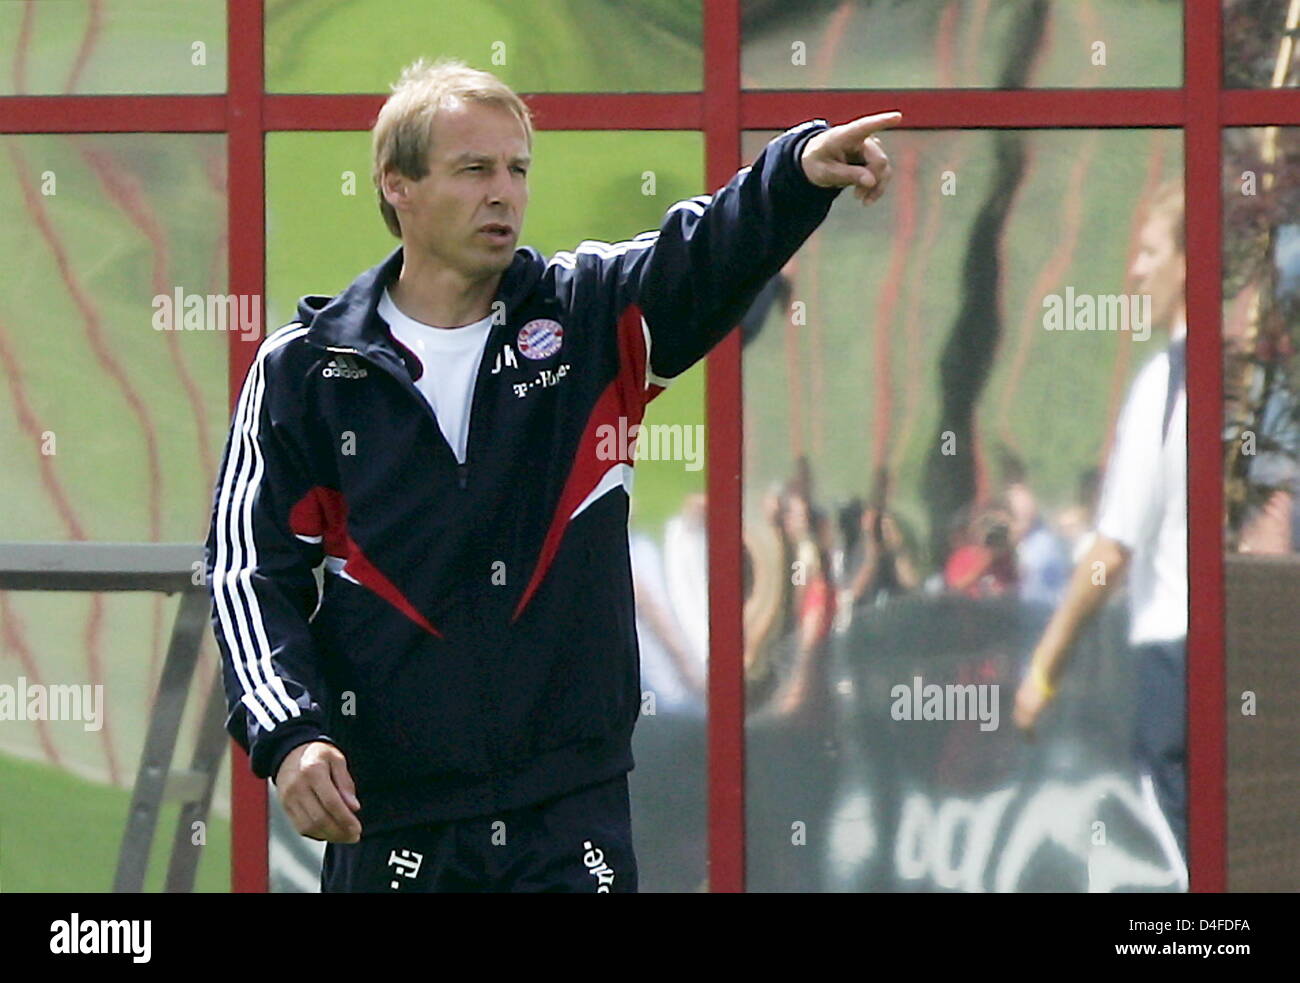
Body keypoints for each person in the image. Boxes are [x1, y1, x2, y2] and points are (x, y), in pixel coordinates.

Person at [205, 56, 899, 893]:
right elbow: (248, 571)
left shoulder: (587, 313)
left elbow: (702, 251)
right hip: (394, 818)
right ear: (398, 185)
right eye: (474, 170)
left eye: (517, 169)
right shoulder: (306, 370)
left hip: (569, 816)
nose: (504, 192)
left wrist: (792, 175)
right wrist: (289, 734)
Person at [1013, 180, 1189, 880]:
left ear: (1189, 259)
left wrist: (1043, 669)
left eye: (1150, 252)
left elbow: (1109, 554)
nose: (1136, 270)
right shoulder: (1247, 376)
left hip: (1175, 668)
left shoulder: (1168, 383)